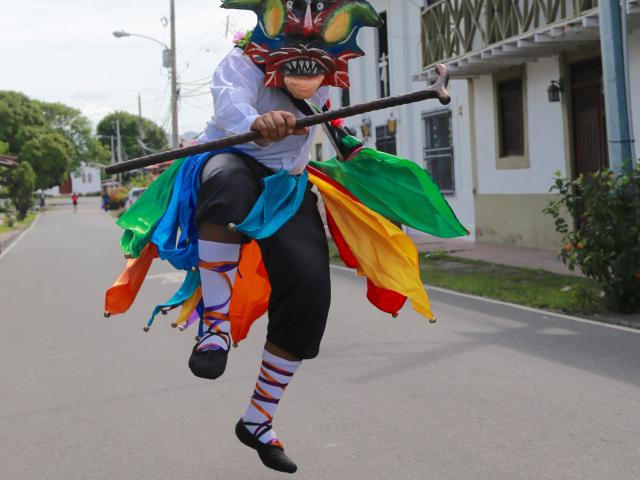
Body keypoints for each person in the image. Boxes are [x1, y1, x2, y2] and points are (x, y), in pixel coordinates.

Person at [105, 0, 467, 474]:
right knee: (227, 183)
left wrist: (357, 153)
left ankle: (257, 420)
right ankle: (214, 324)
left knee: (310, 294)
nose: (309, 54)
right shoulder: (242, 61)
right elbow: (230, 101)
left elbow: (328, 119)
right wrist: (255, 124)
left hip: (289, 184)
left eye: (320, 46)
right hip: (232, 161)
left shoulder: (326, 75)